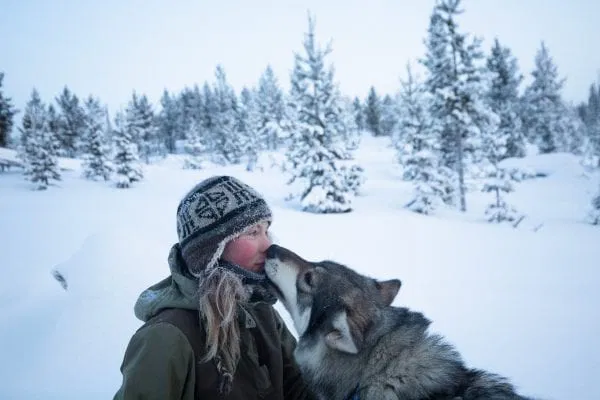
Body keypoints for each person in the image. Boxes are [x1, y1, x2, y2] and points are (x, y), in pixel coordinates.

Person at [113, 175, 315, 399]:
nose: (268, 245)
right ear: (210, 250)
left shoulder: (260, 310)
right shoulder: (165, 338)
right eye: (252, 232)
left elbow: (300, 388)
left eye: (266, 231)